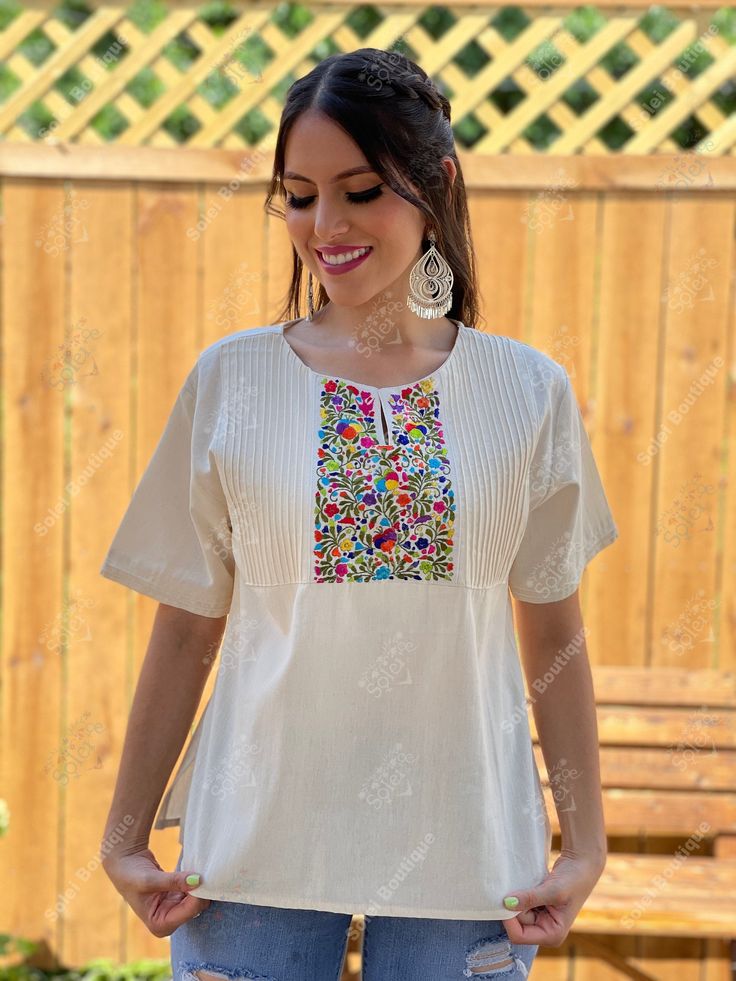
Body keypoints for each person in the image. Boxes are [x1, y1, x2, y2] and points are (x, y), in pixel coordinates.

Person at [99, 47, 619, 981]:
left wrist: (583, 843)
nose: (325, 224)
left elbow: (553, 629)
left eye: (362, 189)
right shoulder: (233, 379)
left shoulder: (527, 392)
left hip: (468, 855)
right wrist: (125, 836)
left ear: (436, 185)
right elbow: (187, 625)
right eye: (299, 195)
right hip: (251, 853)